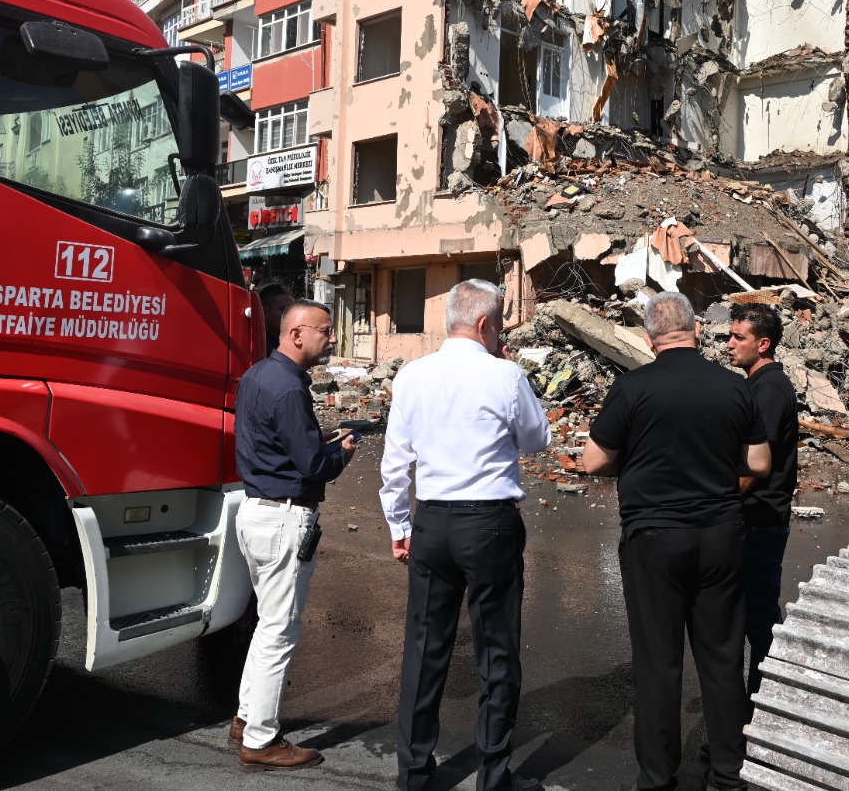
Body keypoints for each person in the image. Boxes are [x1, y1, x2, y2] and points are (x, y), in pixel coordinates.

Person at [581, 292, 770, 791]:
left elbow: (593, 462)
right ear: (698, 331)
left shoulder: (633, 388)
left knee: (658, 664)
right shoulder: (735, 388)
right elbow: (759, 464)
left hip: (653, 541)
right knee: (724, 660)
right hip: (721, 536)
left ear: (649, 338)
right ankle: (729, 774)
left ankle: (658, 777)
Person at [380, 279, 551, 791]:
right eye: (498, 325)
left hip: (432, 520)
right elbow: (538, 438)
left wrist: (399, 525)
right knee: (496, 650)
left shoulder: (412, 375)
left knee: (426, 647)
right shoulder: (504, 374)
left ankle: (414, 771)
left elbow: (395, 463)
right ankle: (493, 777)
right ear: (484, 324)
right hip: (489, 523)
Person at [230, 300, 355, 771]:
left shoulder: (258, 375)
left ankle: (246, 719)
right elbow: (312, 465)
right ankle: (261, 740)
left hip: (257, 511)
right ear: (297, 334)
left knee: (266, 625)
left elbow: (276, 445)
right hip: (284, 518)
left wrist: (317, 443)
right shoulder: (288, 389)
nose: (332, 338)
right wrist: (340, 452)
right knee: (279, 630)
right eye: (325, 330)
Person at [725, 303, 799, 704]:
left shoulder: (769, 388)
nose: (729, 344)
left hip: (760, 518)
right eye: (730, 335)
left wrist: (722, 498)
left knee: (758, 620)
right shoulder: (758, 384)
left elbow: (758, 462)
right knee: (751, 616)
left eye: (739, 337)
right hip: (757, 516)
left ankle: (762, 707)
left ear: (764, 344)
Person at [257, 282, 294, 358]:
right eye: (285, 310)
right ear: (264, 313)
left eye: (294, 310)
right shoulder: (263, 348)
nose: (293, 315)